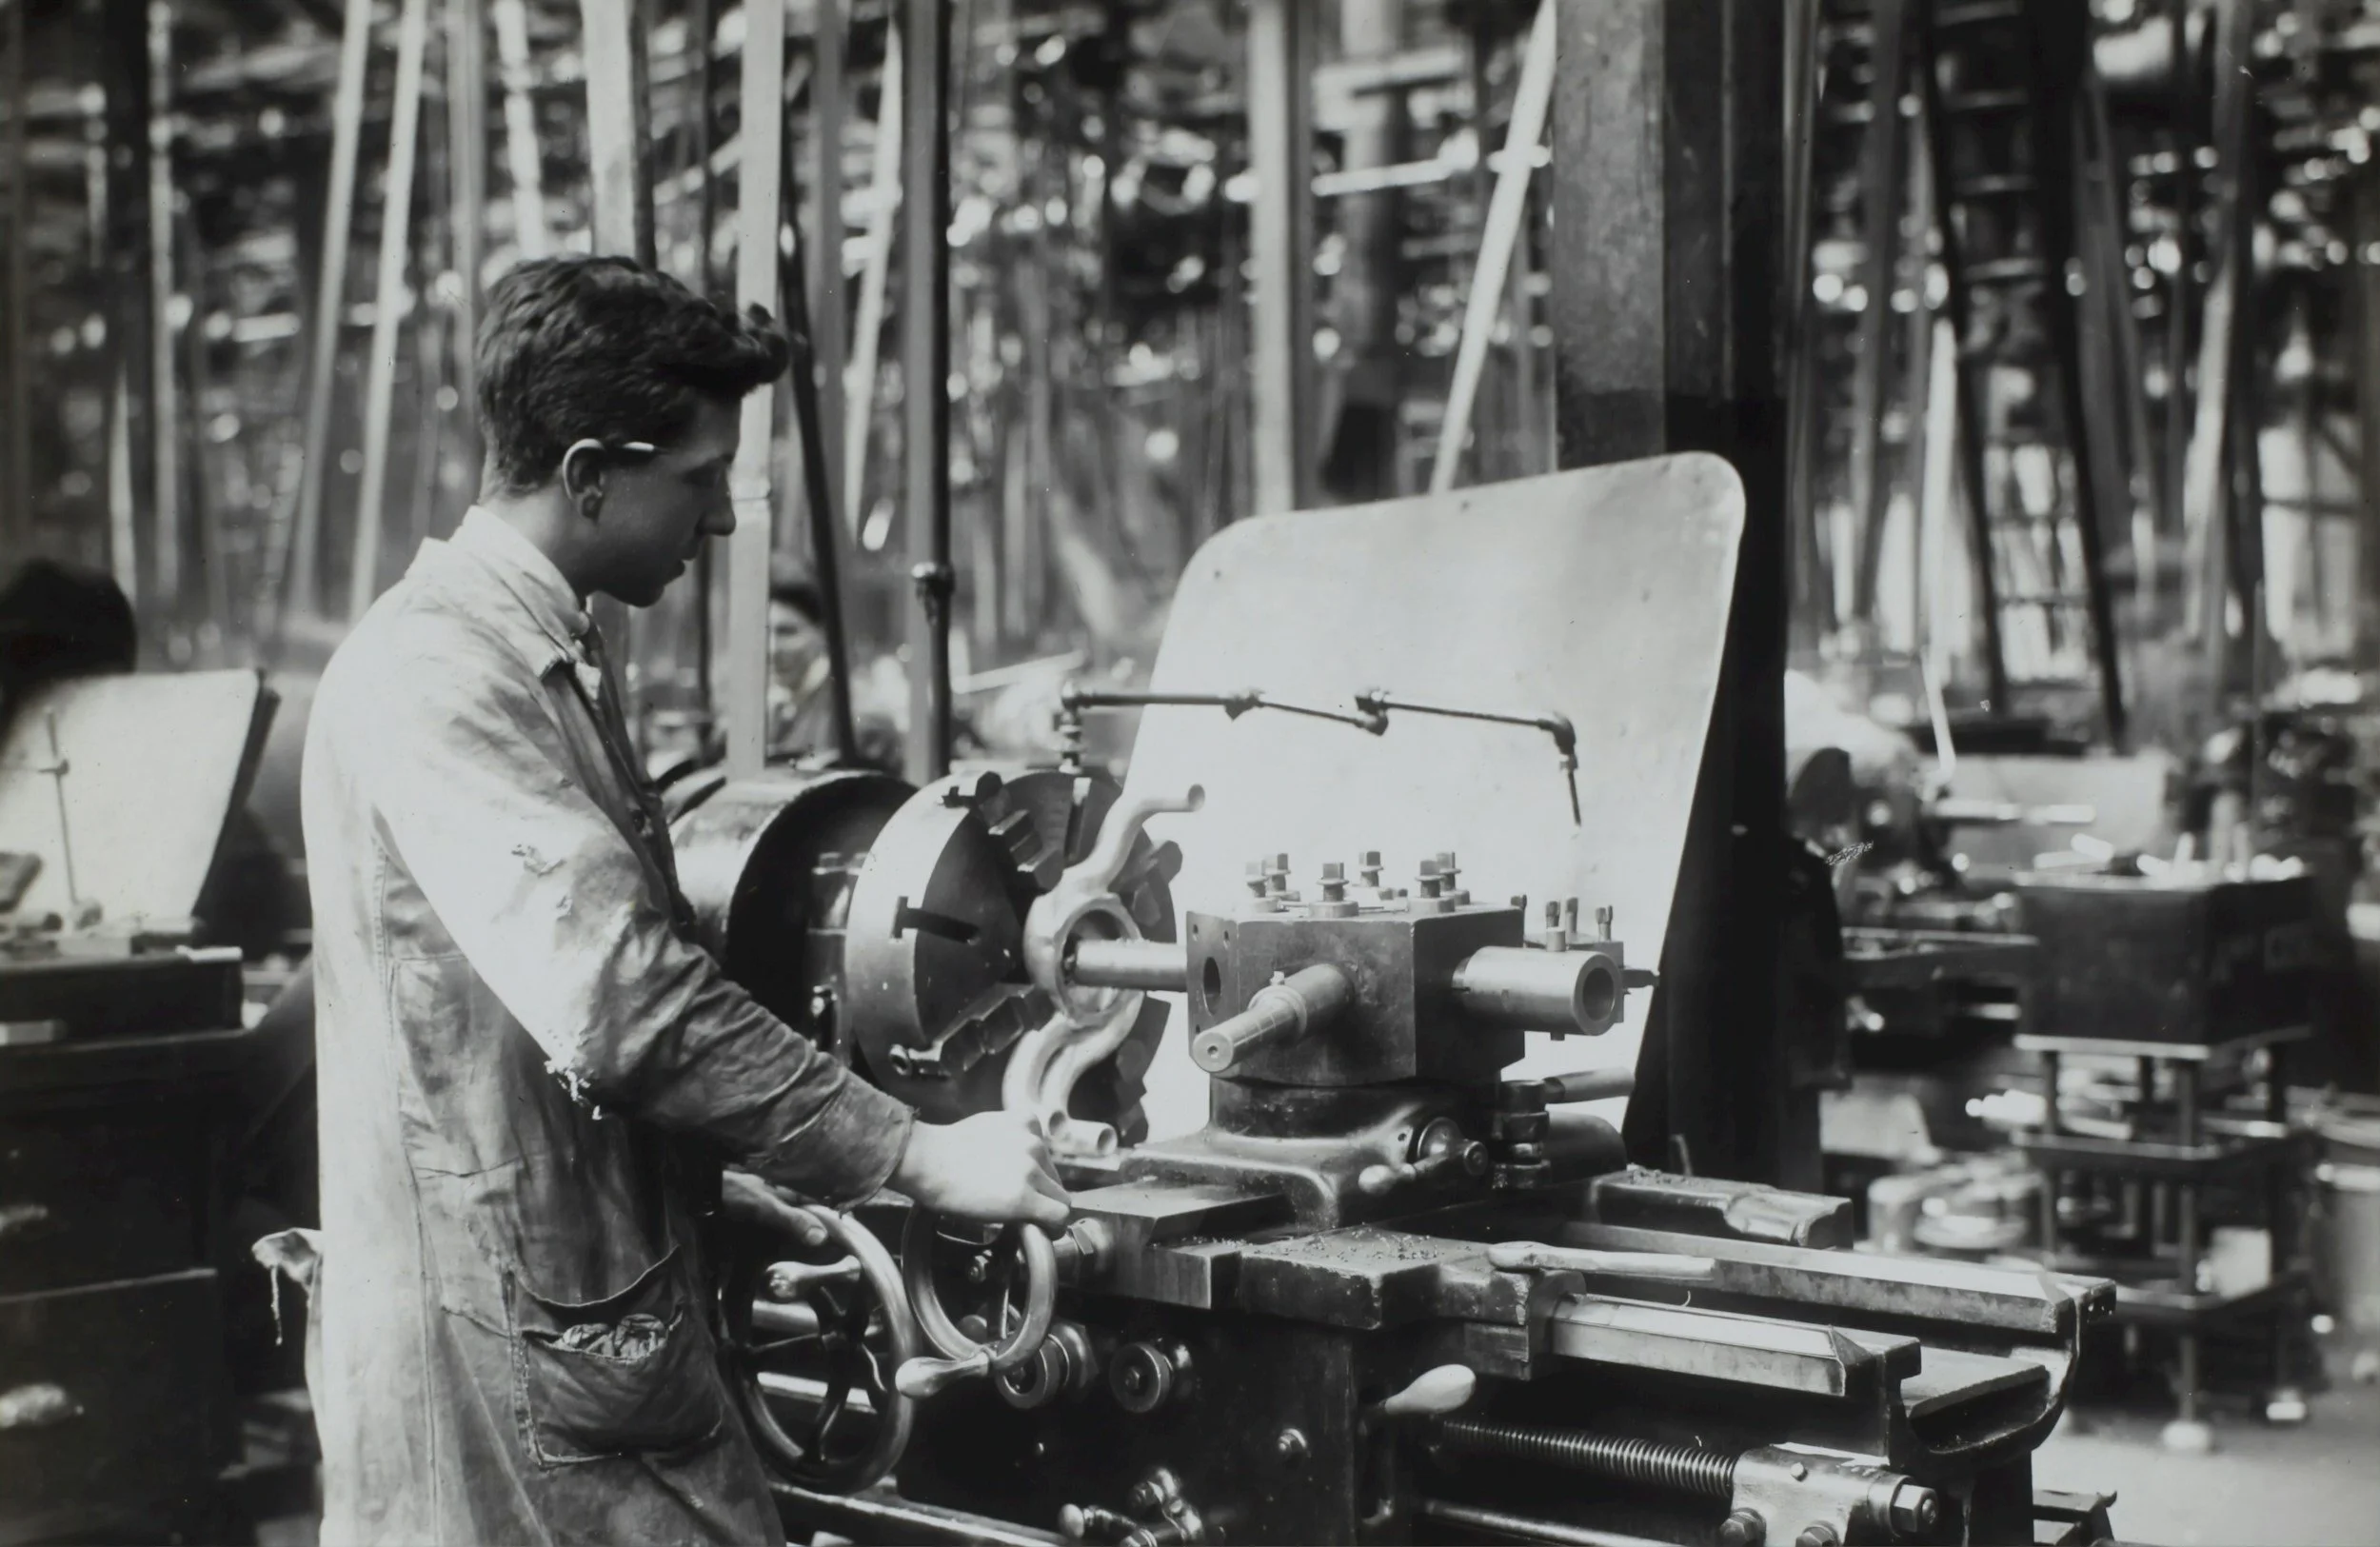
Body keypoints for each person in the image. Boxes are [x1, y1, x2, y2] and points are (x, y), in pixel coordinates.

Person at [300, 256, 1069, 1544]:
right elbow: (621, 1003)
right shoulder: (438, 675)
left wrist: (695, 1189)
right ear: (591, 471)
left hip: (562, 1303)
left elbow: (529, 1047)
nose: (718, 521)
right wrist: (922, 1154)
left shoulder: (531, 653)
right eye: (701, 479)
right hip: (514, 1359)